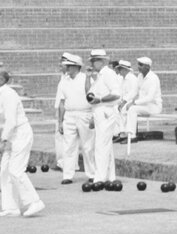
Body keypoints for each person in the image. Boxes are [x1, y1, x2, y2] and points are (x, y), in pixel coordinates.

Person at [0, 66, 44, 218]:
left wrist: (4, 139)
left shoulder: (9, 94)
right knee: (5, 171)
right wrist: (0, 138)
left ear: (1, 80)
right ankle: (11, 207)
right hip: (9, 135)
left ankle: (35, 201)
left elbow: (11, 120)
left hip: (20, 134)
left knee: (15, 170)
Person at [54, 52, 92, 183]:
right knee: (68, 146)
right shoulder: (64, 81)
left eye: (69, 66)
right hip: (69, 115)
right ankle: (67, 175)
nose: (67, 68)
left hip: (84, 113)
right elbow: (62, 103)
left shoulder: (86, 79)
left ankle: (92, 174)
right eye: (66, 66)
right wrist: (60, 121)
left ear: (76, 67)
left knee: (87, 145)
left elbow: (92, 98)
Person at [86, 48, 122, 183]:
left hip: (106, 111)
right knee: (105, 145)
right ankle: (109, 176)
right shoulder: (100, 75)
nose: (92, 63)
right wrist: (88, 77)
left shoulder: (108, 74)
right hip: (99, 112)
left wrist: (100, 100)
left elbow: (116, 94)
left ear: (101, 61)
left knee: (101, 145)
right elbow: (89, 95)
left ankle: (99, 177)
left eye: (94, 60)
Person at [123, 56, 163, 140]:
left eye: (141, 65)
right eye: (138, 64)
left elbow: (150, 98)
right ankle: (124, 134)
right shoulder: (140, 76)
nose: (138, 67)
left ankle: (132, 136)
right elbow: (134, 91)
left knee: (132, 109)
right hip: (144, 106)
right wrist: (124, 101)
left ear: (147, 67)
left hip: (154, 106)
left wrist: (134, 103)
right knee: (125, 108)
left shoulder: (153, 78)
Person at [112, 61, 137, 141]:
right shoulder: (123, 79)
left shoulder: (131, 78)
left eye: (121, 69)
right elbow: (121, 93)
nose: (119, 71)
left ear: (125, 70)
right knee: (114, 108)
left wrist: (124, 102)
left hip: (132, 101)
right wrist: (119, 101)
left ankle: (127, 134)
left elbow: (133, 92)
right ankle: (121, 133)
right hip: (125, 101)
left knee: (123, 109)